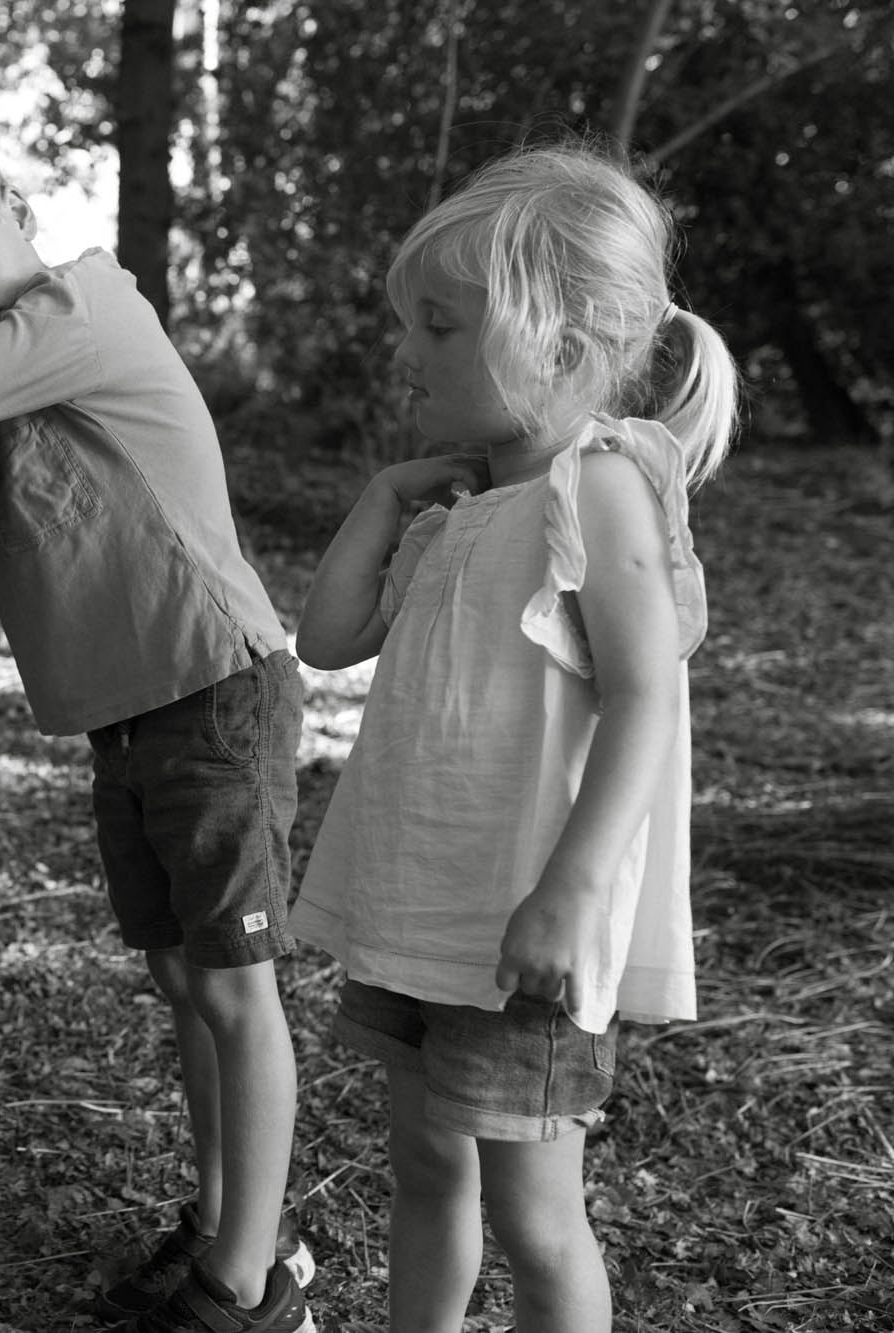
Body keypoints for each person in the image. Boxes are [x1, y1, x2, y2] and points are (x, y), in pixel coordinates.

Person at [0, 123, 314, 1333]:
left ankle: (253, 1281)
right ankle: (219, 1220)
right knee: (182, 976)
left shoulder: (86, 306)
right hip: (133, 717)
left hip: (214, 683)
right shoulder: (6, 349)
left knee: (239, 988)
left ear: (8, 201)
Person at [291, 143, 736, 1333]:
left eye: (437, 325)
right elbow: (324, 638)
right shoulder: (457, 508)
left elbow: (644, 695)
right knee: (426, 1171)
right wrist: (383, 501)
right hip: (423, 915)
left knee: (536, 1217)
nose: (406, 352)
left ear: (560, 346)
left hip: (519, 932)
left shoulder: (596, 488)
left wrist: (571, 890)